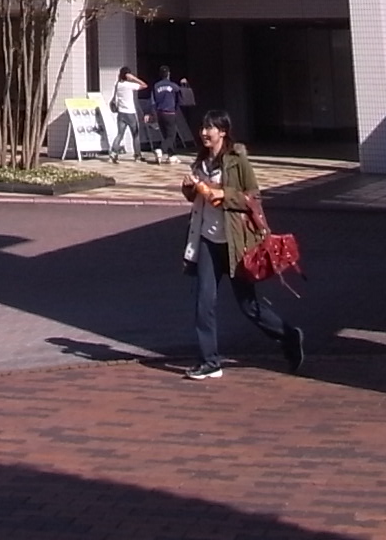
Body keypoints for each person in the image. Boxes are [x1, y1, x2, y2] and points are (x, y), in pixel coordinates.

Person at [177, 110, 306, 381]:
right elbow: (195, 198)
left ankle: (289, 335)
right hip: (208, 240)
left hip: (235, 244)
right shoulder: (201, 159)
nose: (204, 133)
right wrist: (190, 187)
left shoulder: (237, 159)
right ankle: (210, 361)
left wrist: (224, 194)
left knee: (248, 305)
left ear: (222, 132)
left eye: (209, 128)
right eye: (203, 127)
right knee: (204, 302)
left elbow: (253, 197)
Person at [150, 68, 195, 156]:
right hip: (170, 113)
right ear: (168, 74)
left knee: (166, 136)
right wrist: (184, 84)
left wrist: (152, 113)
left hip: (159, 113)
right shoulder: (173, 86)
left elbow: (152, 101)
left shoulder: (156, 86)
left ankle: (171, 155)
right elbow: (182, 95)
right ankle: (161, 150)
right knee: (171, 136)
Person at [107, 66, 149, 161]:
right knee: (135, 134)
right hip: (130, 113)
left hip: (121, 113)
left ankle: (113, 153)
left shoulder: (118, 84)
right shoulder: (129, 85)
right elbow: (144, 85)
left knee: (120, 134)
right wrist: (134, 78)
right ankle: (137, 155)